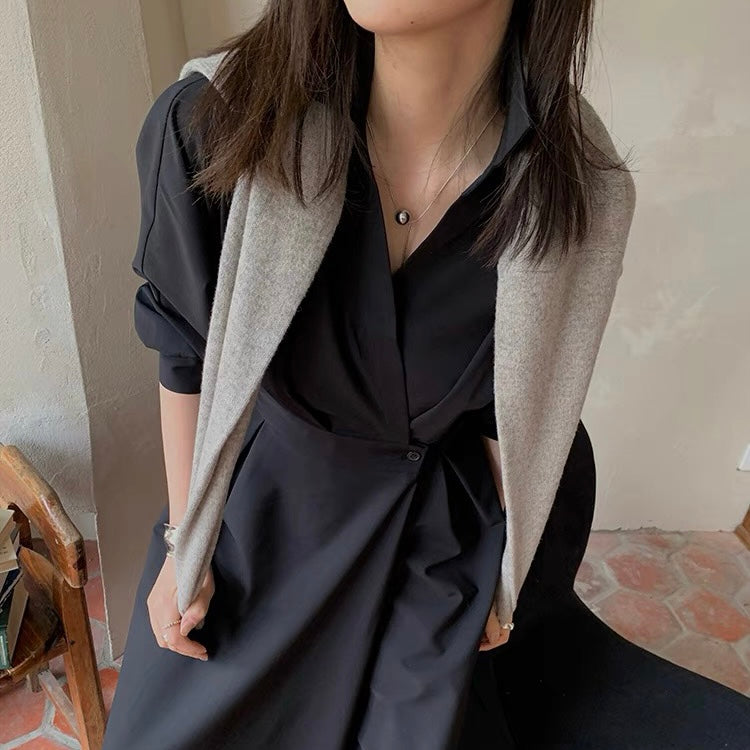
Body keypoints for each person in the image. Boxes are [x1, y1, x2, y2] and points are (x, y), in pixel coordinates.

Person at [104, 1, 644, 747]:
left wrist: (503, 570)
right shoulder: (220, 119)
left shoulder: (576, 186)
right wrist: (185, 542)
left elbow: (515, 407)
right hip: (256, 531)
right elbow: (185, 352)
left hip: (431, 554)